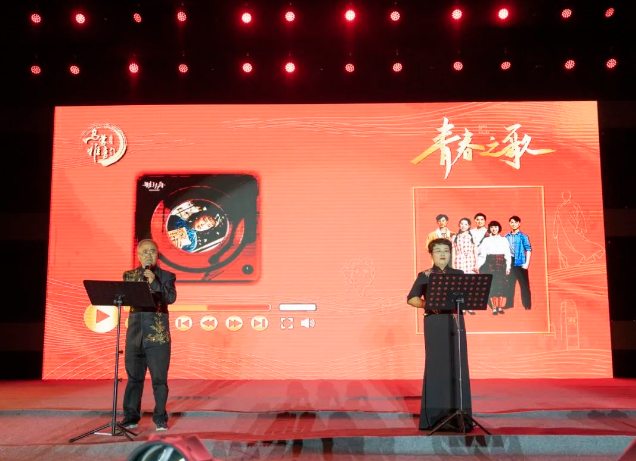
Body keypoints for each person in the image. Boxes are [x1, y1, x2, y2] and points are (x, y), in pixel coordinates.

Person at [408, 238, 473, 432]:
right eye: (438, 251)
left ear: (451, 253)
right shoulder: (425, 275)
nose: (442, 254)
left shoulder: (459, 274)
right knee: (436, 365)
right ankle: (434, 418)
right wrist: (429, 304)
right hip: (435, 323)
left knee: (457, 365)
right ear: (431, 254)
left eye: (446, 250)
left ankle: (460, 418)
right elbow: (412, 299)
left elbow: (468, 298)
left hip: (455, 322)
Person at [121, 239, 177, 431]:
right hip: (135, 336)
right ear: (138, 256)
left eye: (152, 251)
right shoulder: (129, 276)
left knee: (159, 380)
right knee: (134, 378)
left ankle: (160, 417)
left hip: (158, 336)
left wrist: (154, 281)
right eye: (144, 252)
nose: (148, 255)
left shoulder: (167, 276)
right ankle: (130, 417)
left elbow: (170, 298)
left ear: (157, 255)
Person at [477, 221, 511, 314]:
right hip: (490, 263)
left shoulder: (504, 240)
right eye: (492, 227)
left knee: (501, 285)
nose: (494, 229)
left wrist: (508, 267)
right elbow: (482, 255)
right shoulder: (486, 240)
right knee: (492, 285)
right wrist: (478, 266)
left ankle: (500, 307)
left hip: (501, 263)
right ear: (489, 229)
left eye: (496, 227)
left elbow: (507, 254)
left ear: (499, 228)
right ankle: (494, 307)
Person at [452, 218, 478, 314]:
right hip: (460, 260)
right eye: (461, 224)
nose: (463, 226)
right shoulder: (455, 237)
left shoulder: (472, 236)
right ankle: (462, 307)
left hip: (470, 260)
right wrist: (453, 265)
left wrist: (476, 264)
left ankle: (469, 305)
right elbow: (454, 252)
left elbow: (475, 251)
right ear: (459, 225)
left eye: (465, 224)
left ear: (469, 226)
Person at [505, 216, 532, 309]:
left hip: (520, 262)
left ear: (519, 223)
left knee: (524, 285)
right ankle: (509, 304)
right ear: (509, 223)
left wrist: (526, 264)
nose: (513, 224)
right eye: (511, 222)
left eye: (515, 222)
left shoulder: (523, 236)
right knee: (509, 284)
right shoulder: (506, 237)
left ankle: (527, 305)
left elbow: (528, 249)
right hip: (510, 262)